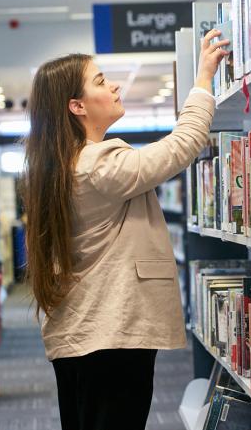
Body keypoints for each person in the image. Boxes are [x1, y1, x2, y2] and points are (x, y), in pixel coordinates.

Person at [22, 29, 229, 430]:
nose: (113, 85)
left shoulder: (61, 166)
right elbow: (182, 146)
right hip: (110, 334)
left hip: (84, 332)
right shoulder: (97, 164)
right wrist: (203, 80)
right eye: (100, 81)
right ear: (76, 106)